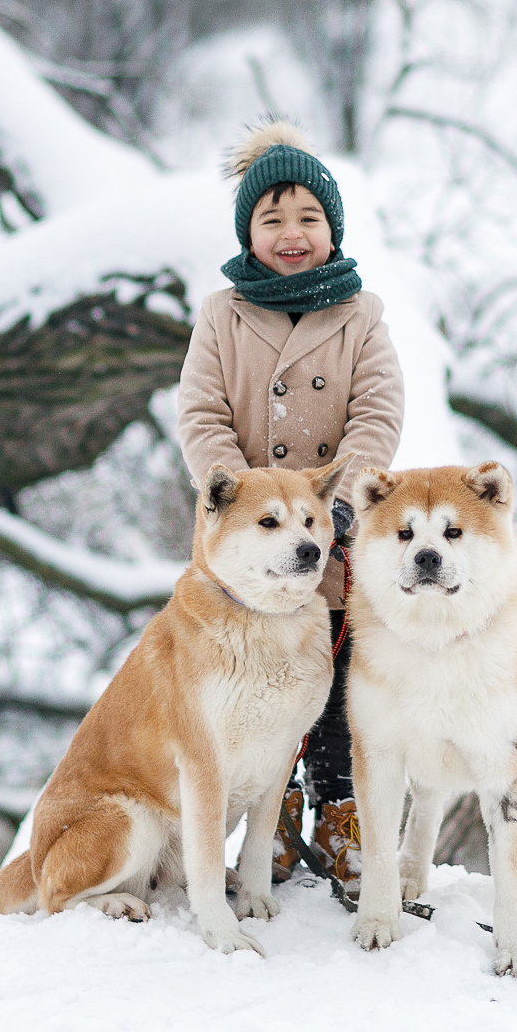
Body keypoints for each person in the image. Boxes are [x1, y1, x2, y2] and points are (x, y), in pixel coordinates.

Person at [177, 119, 403, 893]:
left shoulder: (361, 315)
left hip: (329, 534)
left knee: (335, 675)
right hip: (245, 542)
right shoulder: (223, 314)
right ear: (248, 232)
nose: (291, 233)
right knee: (246, 678)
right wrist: (234, 497)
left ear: (332, 230)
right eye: (271, 219)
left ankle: (338, 812)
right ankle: (262, 819)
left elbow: (377, 409)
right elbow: (201, 414)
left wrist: (339, 497)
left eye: (308, 217)